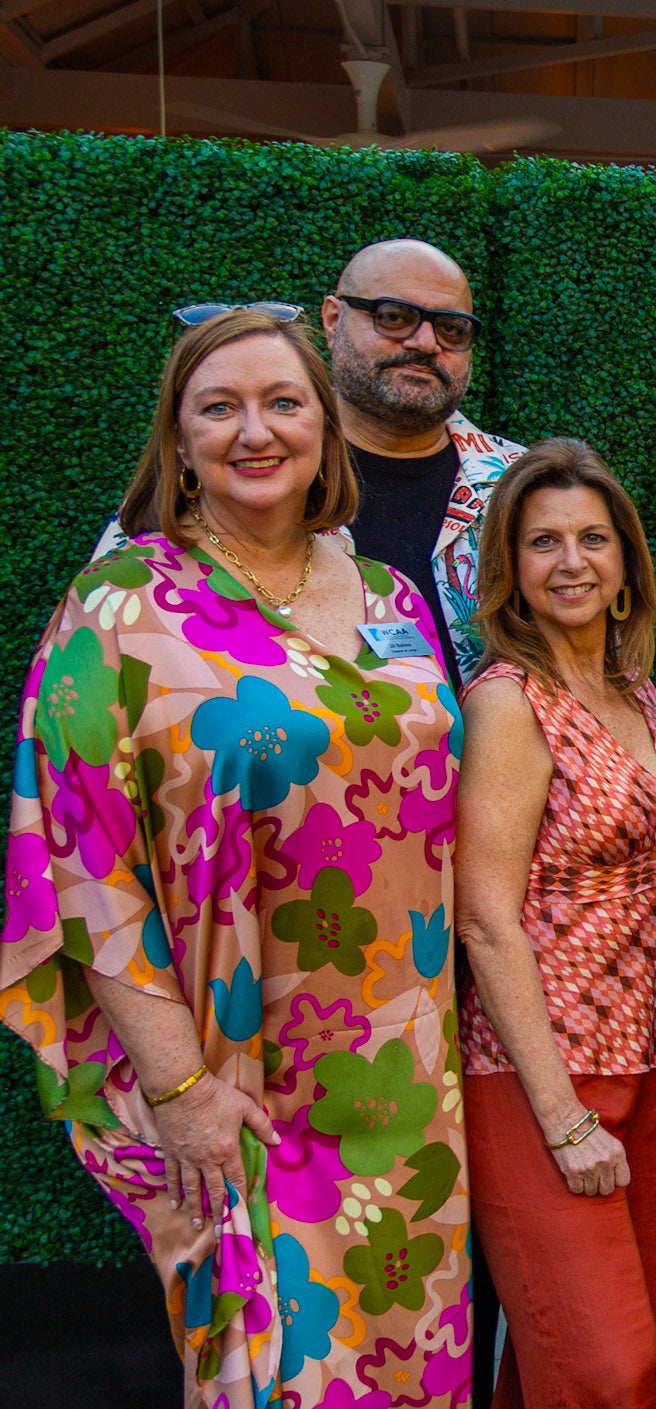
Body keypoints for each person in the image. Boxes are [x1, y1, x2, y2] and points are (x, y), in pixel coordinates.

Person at [2, 308, 471, 1403]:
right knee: (280, 1365)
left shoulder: (393, 598)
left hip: (410, 1080)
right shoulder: (119, 606)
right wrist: (180, 1088)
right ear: (179, 440)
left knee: (413, 1355)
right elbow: (80, 861)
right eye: (219, 407)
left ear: (325, 429)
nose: (255, 431)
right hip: (240, 1079)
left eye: (282, 402)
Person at [454, 439, 656, 1408]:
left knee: (644, 1359)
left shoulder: (637, 690)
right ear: (510, 568)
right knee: (607, 1368)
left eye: (592, 538)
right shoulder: (508, 702)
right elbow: (484, 920)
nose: (571, 561)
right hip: (543, 1076)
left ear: (626, 561)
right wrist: (563, 1117)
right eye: (543, 542)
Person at [98, 239, 524, 684]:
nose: (425, 342)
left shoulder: (524, 484)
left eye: (452, 328)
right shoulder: (242, 476)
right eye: (394, 317)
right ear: (333, 319)